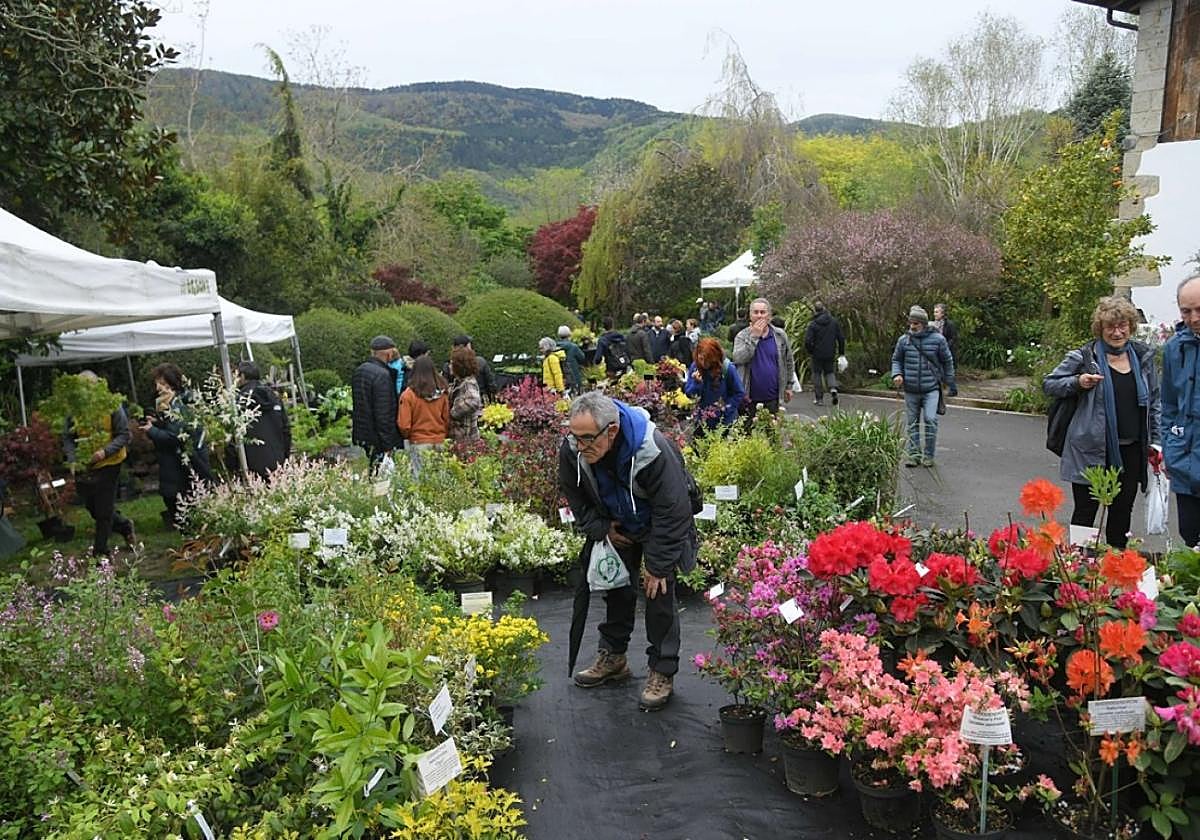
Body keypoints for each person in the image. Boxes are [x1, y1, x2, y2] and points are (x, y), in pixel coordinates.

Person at [560, 391, 698, 711]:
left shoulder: (652, 450)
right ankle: (614, 657)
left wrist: (659, 564)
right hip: (616, 523)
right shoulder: (573, 447)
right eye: (575, 436)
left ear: (612, 431)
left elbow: (675, 508)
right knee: (615, 586)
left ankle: (662, 670)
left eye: (587, 439)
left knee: (658, 594)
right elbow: (575, 495)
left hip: (657, 524)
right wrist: (600, 527)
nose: (579, 446)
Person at [1044, 296, 1160, 549]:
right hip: (1091, 449)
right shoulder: (1085, 357)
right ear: (1101, 328)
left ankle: (1116, 568)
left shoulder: (1142, 358)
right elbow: (1050, 383)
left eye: (1123, 326)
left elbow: (1154, 402)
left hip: (1130, 450)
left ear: (1130, 326)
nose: (1117, 332)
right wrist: (1077, 382)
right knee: (1085, 514)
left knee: (1121, 513)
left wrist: (1157, 442)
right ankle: (1081, 571)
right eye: (1110, 326)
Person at [63, 371, 135, 556]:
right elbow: (68, 437)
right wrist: (72, 459)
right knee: (92, 507)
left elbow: (124, 434)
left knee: (103, 510)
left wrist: (105, 451)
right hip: (85, 464)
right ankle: (124, 526)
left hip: (110, 461)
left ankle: (101, 553)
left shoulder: (112, 405)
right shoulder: (73, 410)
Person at [142, 362, 211, 527]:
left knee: (183, 505)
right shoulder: (170, 403)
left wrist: (152, 430)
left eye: (163, 384)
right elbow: (173, 428)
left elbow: (176, 436)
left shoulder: (180, 405)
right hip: (176, 464)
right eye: (157, 383)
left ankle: (193, 538)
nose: (159, 388)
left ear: (173, 385)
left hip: (183, 464)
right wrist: (158, 423)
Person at [1160, 274, 1200, 546]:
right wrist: (1172, 449)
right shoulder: (1175, 348)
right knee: (1191, 537)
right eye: (1187, 311)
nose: (1194, 318)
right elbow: (1169, 405)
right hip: (1186, 462)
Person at [891, 306, 956, 468]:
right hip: (911, 389)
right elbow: (896, 360)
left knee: (930, 419)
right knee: (912, 423)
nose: (912, 326)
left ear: (924, 324)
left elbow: (947, 361)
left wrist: (948, 380)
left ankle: (928, 455)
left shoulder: (938, 340)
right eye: (911, 323)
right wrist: (897, 374)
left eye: (916, 323)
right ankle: (913, 455)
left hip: (931, 389)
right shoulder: (903, 340)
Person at [731, 297, 795, 421]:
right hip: (749, 398)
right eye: (755, 312)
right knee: (747, 435)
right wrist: (754, 337)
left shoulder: (780, 335)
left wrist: (789, 386)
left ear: (769, 315)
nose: (759, 316)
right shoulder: (742, 336)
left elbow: (788, 361)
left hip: (773, 397)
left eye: (763, 312)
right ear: (750, 315)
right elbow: (738, 358)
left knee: (772, 435)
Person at [232, 361, 291, 480]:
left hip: (252, 465)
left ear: (242, 376)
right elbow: (286, 430)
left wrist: (234, 466)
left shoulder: (239, 402)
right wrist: (285, 457)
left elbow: (232, 437)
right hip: (277, 461)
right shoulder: (274, 398)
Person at [351, 335, 403, 464]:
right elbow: (383, 413)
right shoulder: (382, 375)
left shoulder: (360, 371)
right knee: (381, 477)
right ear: (389, 354)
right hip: (377, 438)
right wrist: (388, 445)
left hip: (362, 432)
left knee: (369, 472)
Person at [398, 355, 450, 474]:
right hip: (440, 440)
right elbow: (446, 418)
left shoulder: (408, 395)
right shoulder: (442, 393)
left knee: (420, 480)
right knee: (440, 480)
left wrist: (409, 436)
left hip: (418, 441)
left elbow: (404, 424)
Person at [684, 337, 745, 433]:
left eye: (707, 360)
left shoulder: (727, 368)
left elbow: (739, 393)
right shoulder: (695, 367)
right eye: (701, 359)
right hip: (702, 422)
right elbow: (689, 394)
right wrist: (697, 383)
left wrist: (725, 410)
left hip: (723, 423)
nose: (704, 363)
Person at [803, 302, 846, 407]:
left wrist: (811, 351)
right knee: (829, 372)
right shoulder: (833, 322)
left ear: (815, 310)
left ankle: (819, 399)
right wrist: (841, 352)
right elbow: (841, 338)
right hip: (830, 352)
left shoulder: (813, 324)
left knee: (817, 374)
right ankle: (833, 388)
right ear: (824, 308)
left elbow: (808, 341)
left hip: (817, 353)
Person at [448, 345, 482, 445]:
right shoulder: (459, 382)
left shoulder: (468, 383)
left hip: (467, 438)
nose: (449, 366)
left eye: (451, 363)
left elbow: (473, 401)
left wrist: (453, 412)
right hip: (463, 437)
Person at [445, 335, 495, 403]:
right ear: (468, 346)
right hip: (481, 400)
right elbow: (491, 384)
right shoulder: (480, 361)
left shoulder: (449, 365)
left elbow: (445, 387)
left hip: (458, 402)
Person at [556, 325, 588, 393]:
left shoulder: (555, 347)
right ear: (569, 334)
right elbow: (582, 358)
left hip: (560, 379)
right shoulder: (573, 347)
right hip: (574, 376)